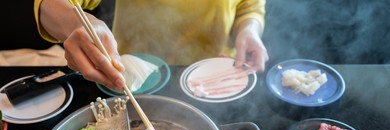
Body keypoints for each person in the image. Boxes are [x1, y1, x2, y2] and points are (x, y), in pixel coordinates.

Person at [34, 0, 268, 92]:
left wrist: (249, 29)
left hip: (212, 77)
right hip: (132, 78)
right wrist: (75, 24)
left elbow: (250, 6)